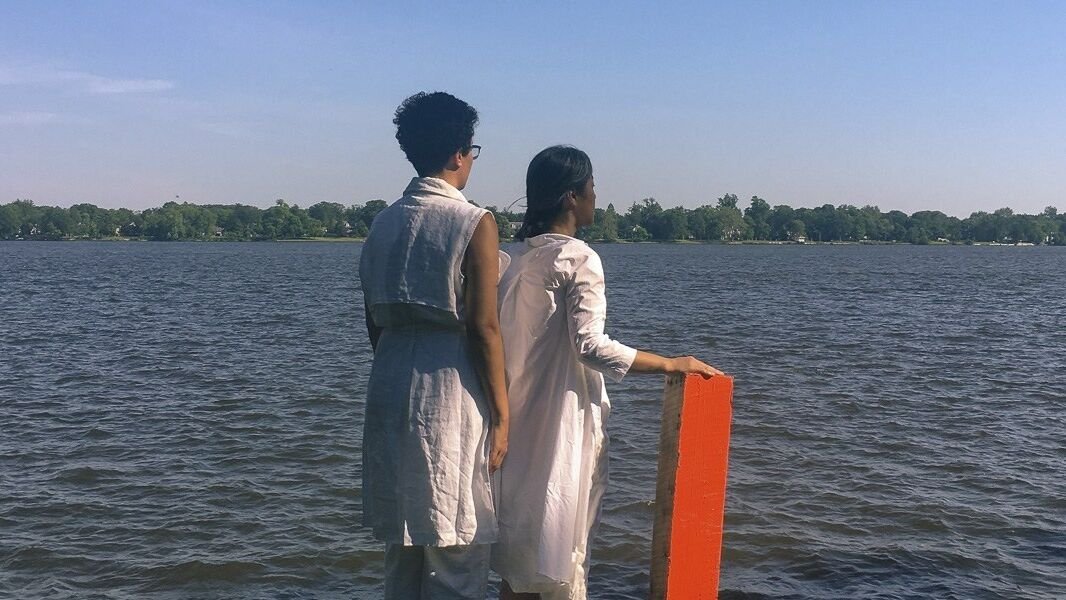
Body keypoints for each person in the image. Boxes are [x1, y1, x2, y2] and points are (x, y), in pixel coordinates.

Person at [492, 145, 723, 599]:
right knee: (562, 551)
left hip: (511, 424)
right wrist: (671, 364)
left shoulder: (508, 259)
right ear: (571, 198)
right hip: (560, 424)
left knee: (516, 558)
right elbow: (590, 346)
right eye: (592, 188)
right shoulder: (578, 258)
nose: (597, 198)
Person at [359, 91, 509, 599]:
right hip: (450, 386)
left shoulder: (382, 222)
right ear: (457, 154)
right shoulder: (473, 221)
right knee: (457, 546)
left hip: (389, 379)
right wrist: (504, 415)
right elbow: (484, 327)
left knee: (402, 548)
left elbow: (373, 323)